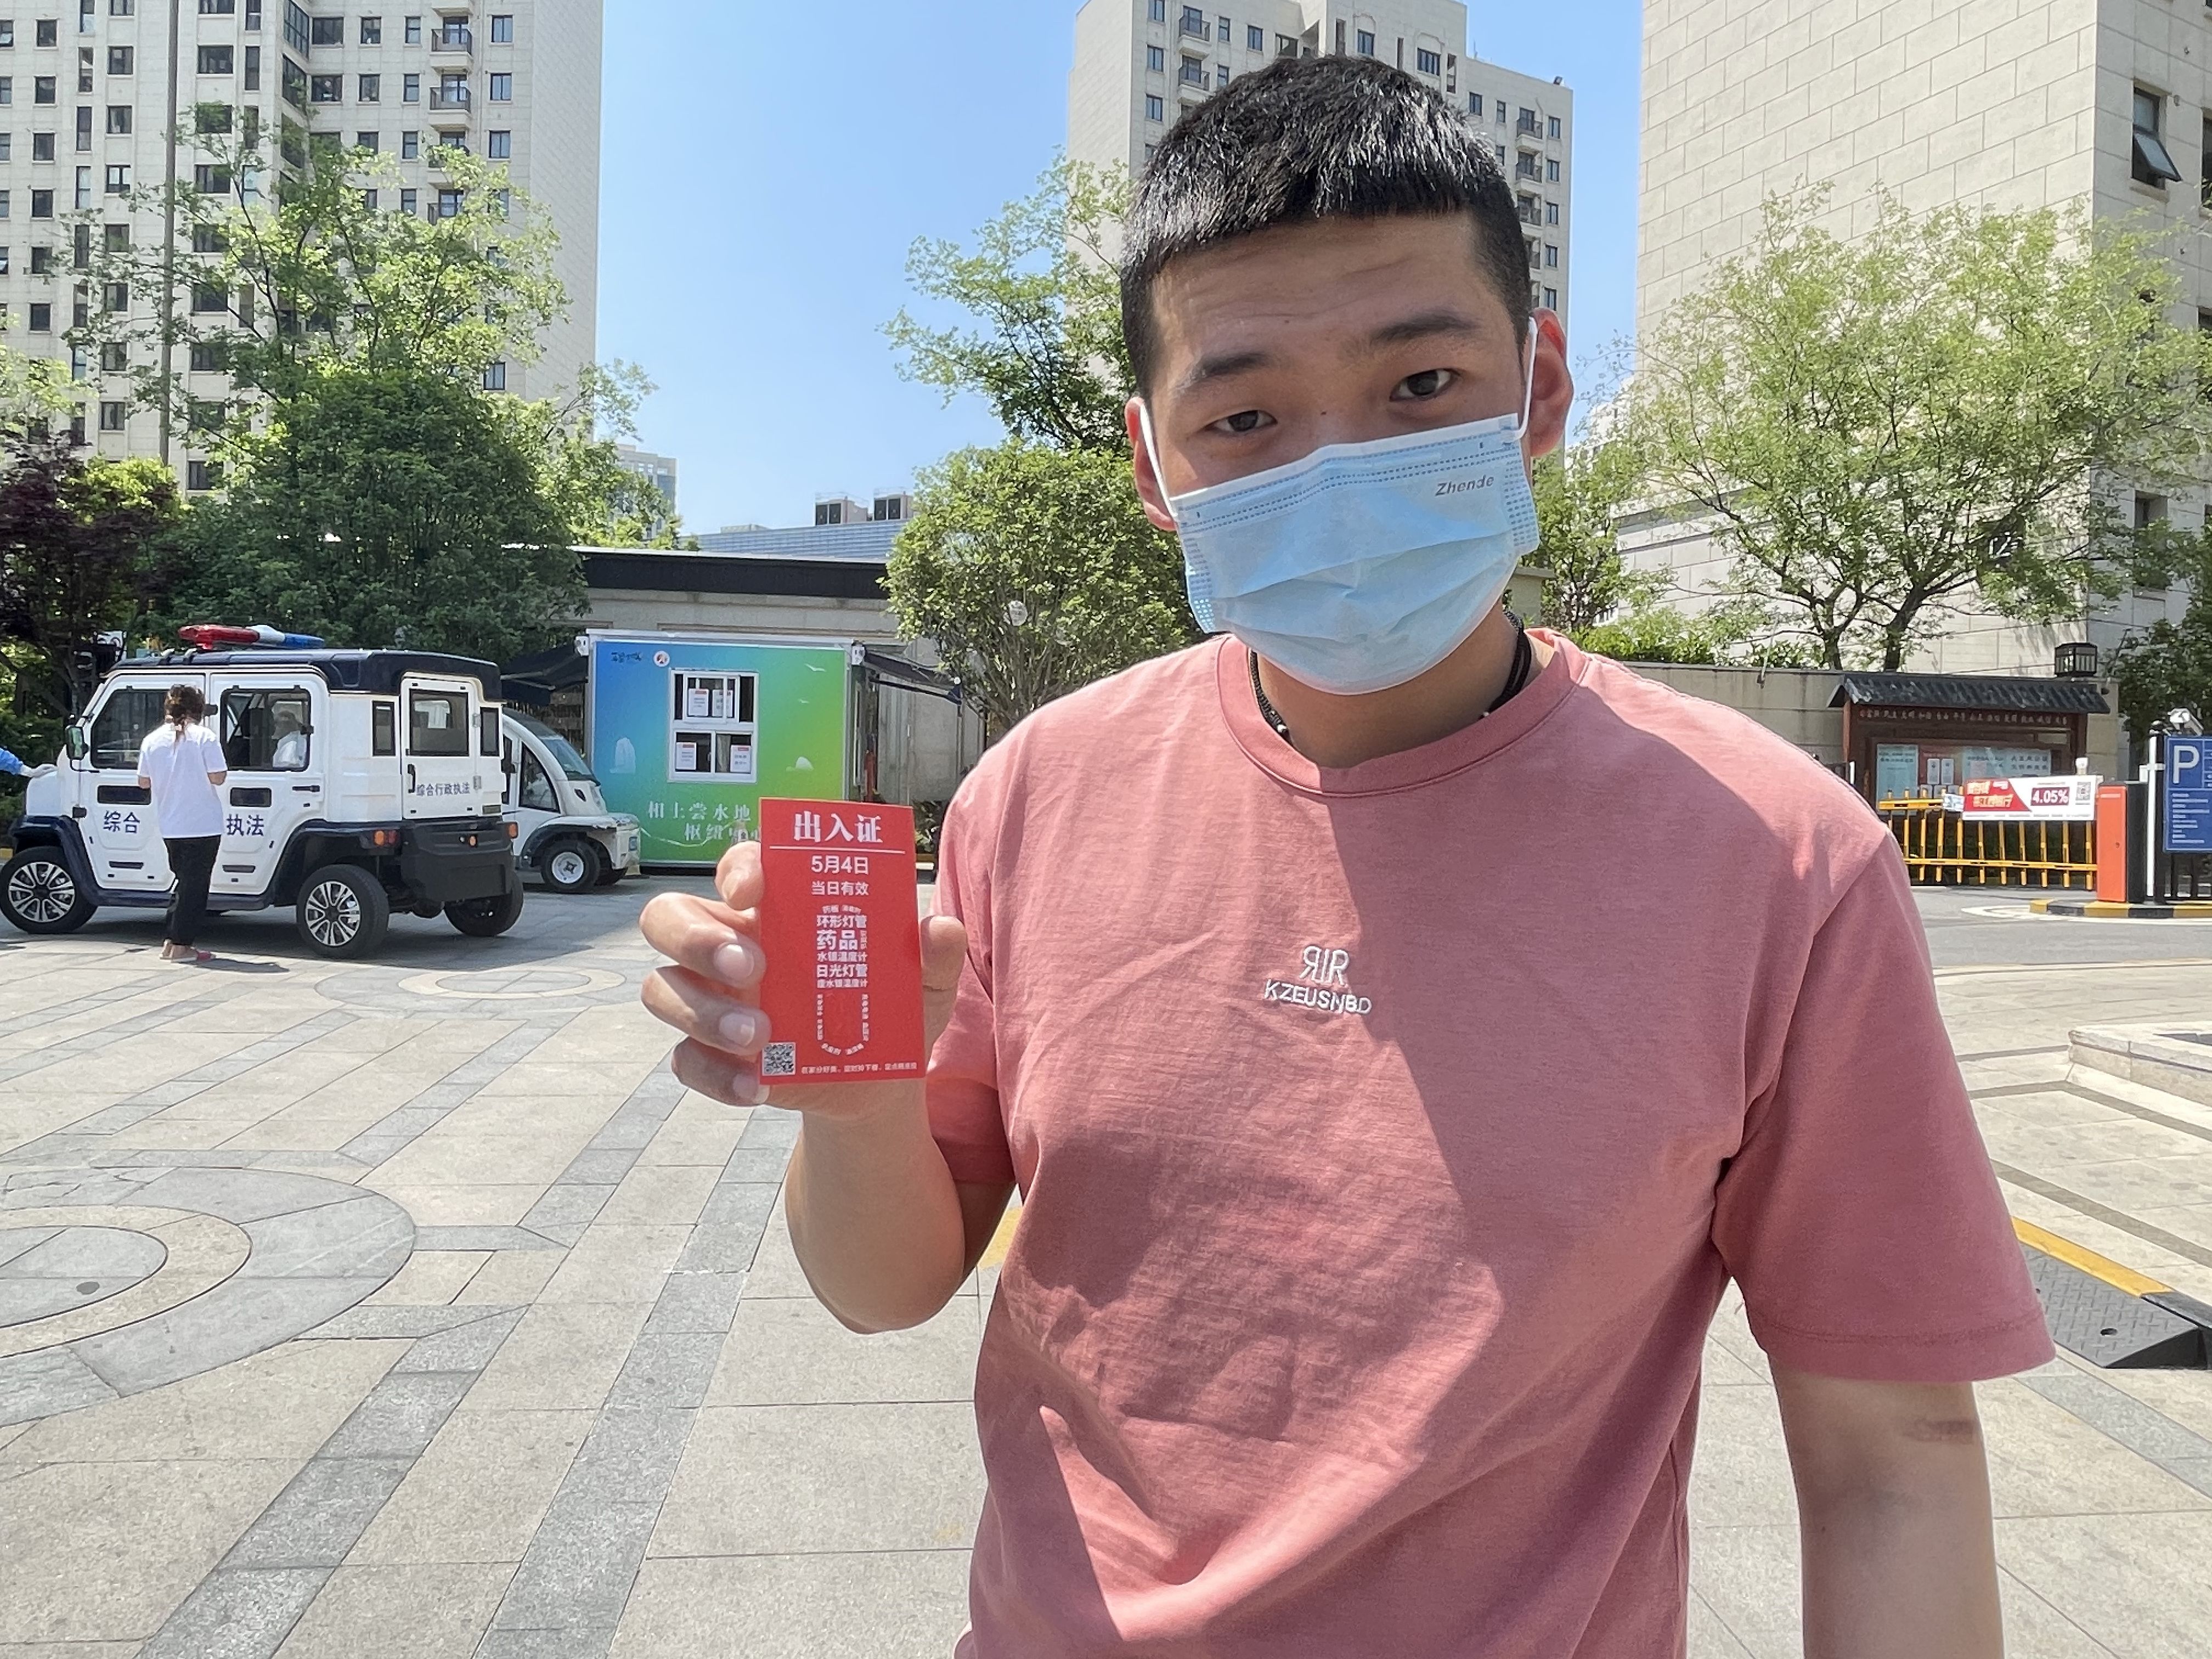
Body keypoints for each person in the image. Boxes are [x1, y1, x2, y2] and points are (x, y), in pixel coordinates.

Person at [640, 58, 2051, 1659]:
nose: (1337, 467)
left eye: (1420, 383)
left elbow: (1894, 1457)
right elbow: (882, 1285)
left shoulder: (1784, 864)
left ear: (1539, 390)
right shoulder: (1037, 791)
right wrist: (853, 1098)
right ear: (1152, 465)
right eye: (1243, 416)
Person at [137, 684, 227, 964]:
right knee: (195, 888)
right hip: (203, 824)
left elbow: (143, 782)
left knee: (182, 883)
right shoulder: (205, 737)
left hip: (171, 824)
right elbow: (218, 777)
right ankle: (182, 946)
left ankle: (171, 941)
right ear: (197, 710)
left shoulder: (151, 740)